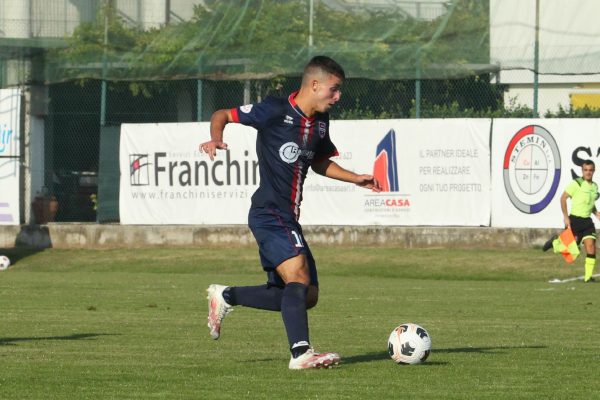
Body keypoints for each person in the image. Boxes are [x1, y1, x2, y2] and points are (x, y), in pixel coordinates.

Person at [200, 55, 381, 369]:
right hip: (269, 212)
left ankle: (227, 296)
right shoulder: (274, 109)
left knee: (306, 294)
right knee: (298, 274)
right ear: (314, 85)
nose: (338, 97)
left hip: (287, 217)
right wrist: (216, 139)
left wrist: (356, 178)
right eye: (334, 90)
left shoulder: (320, 122)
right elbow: (222, 114)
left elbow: (319, 161)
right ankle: (301, 354)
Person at [543, 159, 600, 282]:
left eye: (590, 170)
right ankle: (554, 243)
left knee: (590, 246)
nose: (588, 172)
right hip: (574, 221)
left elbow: (590, 203)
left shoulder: (595, 187)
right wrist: (565, 217)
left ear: (594, 171)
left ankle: (588, 277)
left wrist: (596, 213)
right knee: (572, 252)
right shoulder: (576, 183)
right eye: (586, 170)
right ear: (582, 171)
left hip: (587, 223)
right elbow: (563, 198)